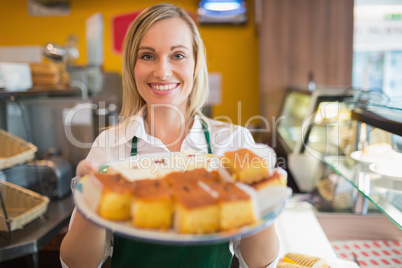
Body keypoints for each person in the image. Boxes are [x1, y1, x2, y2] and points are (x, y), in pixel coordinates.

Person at [60, 3, 280, 268]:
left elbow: (262, 264)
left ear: (196, 63)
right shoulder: (109, 147)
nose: (162, 71)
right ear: (132, 66)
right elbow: (76, 265)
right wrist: (89, 201)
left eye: (178, 55)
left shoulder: (233, 143)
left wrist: (259, 192)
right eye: (148, 56)